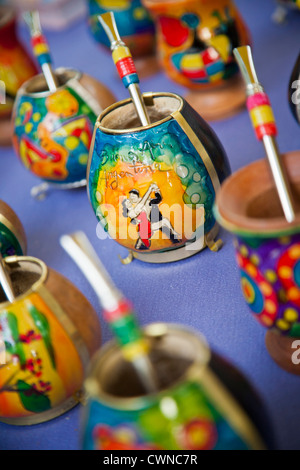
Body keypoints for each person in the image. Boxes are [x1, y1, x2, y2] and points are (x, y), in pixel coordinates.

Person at [123, 183, 181, 250]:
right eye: (129, 200)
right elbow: (143, 202)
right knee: (144, 238)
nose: (130, 199)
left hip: (148, 225)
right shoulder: (134, 211)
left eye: (132, 196)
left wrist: (156, 191)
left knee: (165, 221)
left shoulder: (138, 206)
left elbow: (153, 200)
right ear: (126, 206)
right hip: (145, 228)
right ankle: (140, 247)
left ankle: (139, 247)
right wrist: (150, 189)